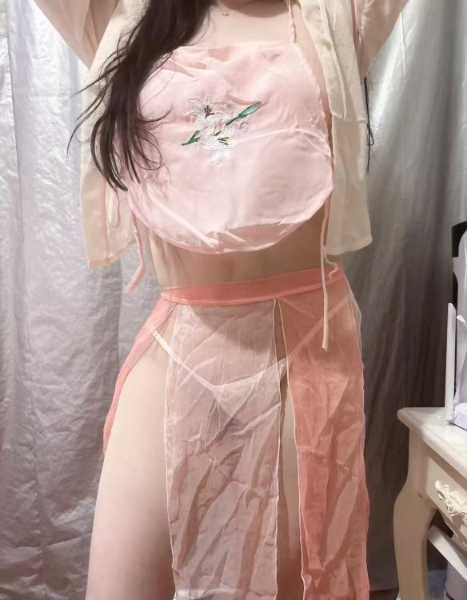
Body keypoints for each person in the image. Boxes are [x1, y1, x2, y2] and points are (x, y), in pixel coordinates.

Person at [34, 1, 408, 598]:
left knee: (292, 584)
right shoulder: (123, 15)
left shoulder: (337, 12)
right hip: (175, 357)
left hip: (300, 362)